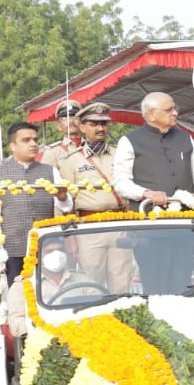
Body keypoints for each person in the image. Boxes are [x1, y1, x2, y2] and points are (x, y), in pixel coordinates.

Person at [55, 101, 132, 290]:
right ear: (82, 127)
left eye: (104, 123)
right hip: (89, 228)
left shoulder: (120, 155)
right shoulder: (71, 160)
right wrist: (69, 237)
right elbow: (65, 202)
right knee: (91, 283)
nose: (100, 128)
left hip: (120, 224)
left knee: (122, 282)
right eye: (93, 124)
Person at [0, 121, 70, 285]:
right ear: (13, 146)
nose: (33, 144)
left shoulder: (50, 171)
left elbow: (66, 206)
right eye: (26, 140)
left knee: (49, 291)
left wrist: (62, 197)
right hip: (13, 249)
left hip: (46, 247)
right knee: (18, 293)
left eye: (35, 140)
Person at [113, 91, 194, 211]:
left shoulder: (186, 138)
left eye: (175, 108)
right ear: (151, 115)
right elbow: (120, 182)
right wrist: (146, 193)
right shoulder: (128, 141)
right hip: (148, 215)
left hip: (188, 215)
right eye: (169, 110)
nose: (175, 113)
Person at [7, 237, 89, 337]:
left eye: (60, 250)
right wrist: (41, 328)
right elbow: (16, 321)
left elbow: (100, 306)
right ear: (38, 256)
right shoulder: (22, 285)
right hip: (45, 340)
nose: (57, 255)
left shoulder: (82, 279)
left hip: (83, 336)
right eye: (49, 251)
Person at [38, 98, 83, 168]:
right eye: (65, 118)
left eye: (75, 117)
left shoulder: (92, 147)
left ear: (82, 122)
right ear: (59, 126)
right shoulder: (52, 153)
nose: (71, 121)